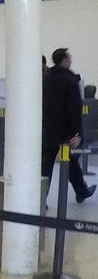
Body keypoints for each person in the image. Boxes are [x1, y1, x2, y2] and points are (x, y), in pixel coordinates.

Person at [42, 47, 96, 203]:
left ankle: (41, 198)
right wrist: (77, 133)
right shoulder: (70, 80)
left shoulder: (46, 78)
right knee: (71, 162)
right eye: (69, 58)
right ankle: (82, 191)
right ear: (64, 60)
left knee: (46, 166)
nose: (71, 61)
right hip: (66, 132)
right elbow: (74, 108)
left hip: (48, 130)